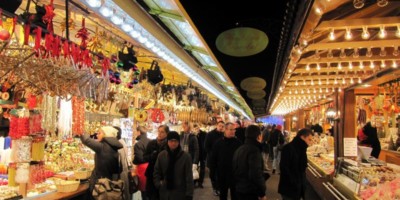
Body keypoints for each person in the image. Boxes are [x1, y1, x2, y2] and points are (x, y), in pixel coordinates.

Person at [80, 126, 123, 198]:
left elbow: (86, 139)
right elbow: (120, 169)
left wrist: (80, 128)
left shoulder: (102, 147)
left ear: (105, 135)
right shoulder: (115, 148)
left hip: (100, 185)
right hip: (110, 183)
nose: (97, 135)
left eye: (99, 133)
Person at [153, 131, 194, 200]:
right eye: (171, 141)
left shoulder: (186, 157)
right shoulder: (162, 155)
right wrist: (158, 184)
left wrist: (189, 194)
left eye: (176, 141)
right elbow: (156, 171)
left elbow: (189, 177)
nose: (173, 143)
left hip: (180, 193)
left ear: (179, 142)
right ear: (168, 142)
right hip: (165, 192)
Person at [233, 125, 267, 200]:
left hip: (239, 188)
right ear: (258, 136)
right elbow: (255, 174)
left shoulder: (240, 149)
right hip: (251, 191)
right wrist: (262, 193)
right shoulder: (254, 151)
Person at [278, 128, 314, 200]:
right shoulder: (288, 148)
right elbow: (284, 168)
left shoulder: (302, 148)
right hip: (289, 188)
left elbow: (302, 169)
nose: (311, 142)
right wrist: (295, 182)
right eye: (309, 139)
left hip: (298, 187)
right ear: (302, 137)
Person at [209, 122, 242, 200]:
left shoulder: (239, 143)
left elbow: (242, 159)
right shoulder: (218, 143)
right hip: (222, 174)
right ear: (225, 130)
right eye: (231, 130)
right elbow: (213, 159)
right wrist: (212, 173)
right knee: (223, 195)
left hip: (235, 175)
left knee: (235, 196)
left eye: (234, 130)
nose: (233, 131)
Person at [144, 125, 169, 200]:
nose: (159, 133)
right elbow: (144, 158)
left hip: (163, 175)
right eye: (159, 131)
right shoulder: (151, 143)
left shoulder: (169, 145)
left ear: (167, 134)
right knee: (151, 196)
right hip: (151, 174)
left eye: (162, 132)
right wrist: (152, 155)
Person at [204, 121, 225, 196]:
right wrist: (212, 154)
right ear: (217, 125)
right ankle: (215, 188)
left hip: (221, 159)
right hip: (212, 158)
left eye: (222, 126)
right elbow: (206, 146)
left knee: (219, 174)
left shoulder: (224, 135)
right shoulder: (210, 134)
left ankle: (218, 188)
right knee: (213, 174)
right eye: (220, 126)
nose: (221, 128)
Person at [114, 126, 133, 200]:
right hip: (123, 170)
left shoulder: (118, 144)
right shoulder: (122, 142)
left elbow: (119, 161)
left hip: (121, 172)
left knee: (122, 192)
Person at [133, 126, 151, 200]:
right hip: (151, 166)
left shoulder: (138, 144)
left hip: (143, 168)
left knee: (144, 191)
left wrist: (134, 161)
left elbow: (140, 158)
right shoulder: (151, 141)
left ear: (139, 132)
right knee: (149, 190)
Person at [193, 123, 207, 188]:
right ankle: (194, 181)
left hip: (202, 153)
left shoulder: (204, 134)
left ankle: (200, 182)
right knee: (194, 167)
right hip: (195, 154)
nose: (196, 129)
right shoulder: (193, 135)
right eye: (195, 128)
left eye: (197, 128)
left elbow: (206, 143)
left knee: (202, 168)